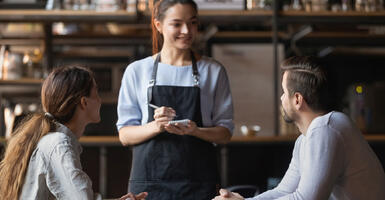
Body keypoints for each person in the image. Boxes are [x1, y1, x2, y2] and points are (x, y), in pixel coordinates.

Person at [213, 56, 385, 200]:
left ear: (297, 99)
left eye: (283, 92)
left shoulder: (326, 128)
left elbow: (306, 199)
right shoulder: (306, 139)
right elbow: (284, 191)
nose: (281, 99)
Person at [116, 0, 234, 199]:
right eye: (177, 24)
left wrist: (196, 130)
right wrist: (156, 126)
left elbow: (225, 133)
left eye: (193, 23)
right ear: (158, 25)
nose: (187, 31)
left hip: (198, 182)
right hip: (149, 185)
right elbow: (125, 135)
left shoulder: (213, 71)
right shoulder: (137, 71)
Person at [0, 66, 147, 200]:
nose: (100, 100)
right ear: (84, 102)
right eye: (96, 93)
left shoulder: (53, 139)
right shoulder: (59, 144)